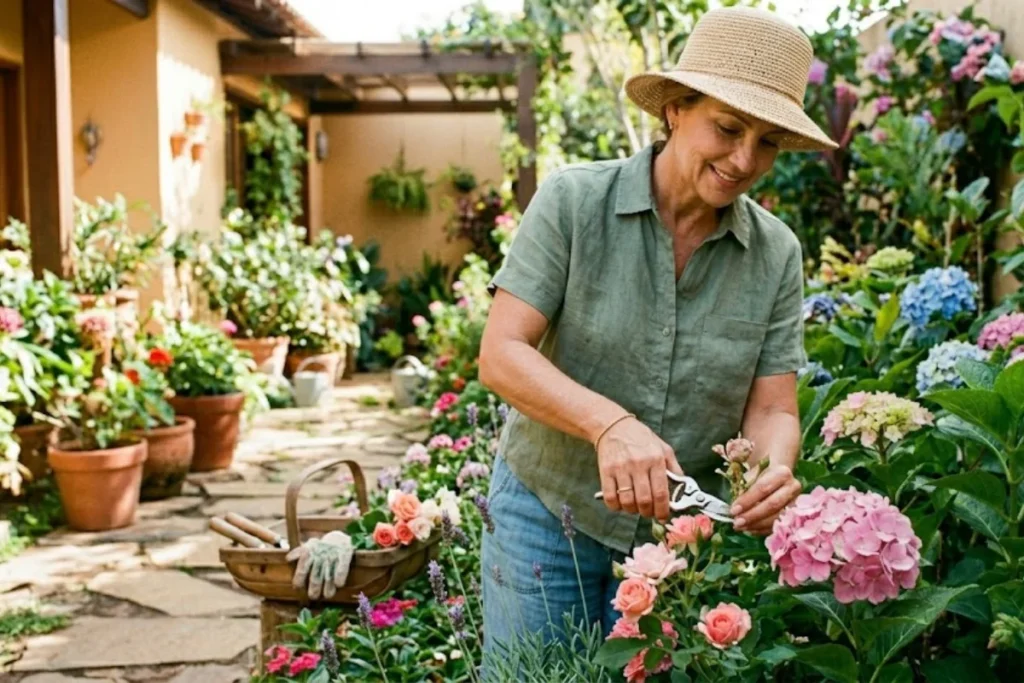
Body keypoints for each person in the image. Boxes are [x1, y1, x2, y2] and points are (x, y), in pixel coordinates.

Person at [475, 4, 840, 669]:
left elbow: (773, 408)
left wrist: (772, 471)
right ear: (675, 109)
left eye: (767, 142)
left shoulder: (776, 254)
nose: (744, 159)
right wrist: (609, 424)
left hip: (676, 545)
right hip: (545, 516)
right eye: (727, 128)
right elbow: (501, 354)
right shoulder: (573, 203)